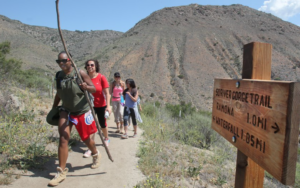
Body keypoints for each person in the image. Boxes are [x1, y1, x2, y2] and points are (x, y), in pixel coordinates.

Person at [48, 52, 100, 187]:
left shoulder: (79, 73)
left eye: (64, 61)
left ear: (70, 60)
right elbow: (59, 94)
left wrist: (86, 87)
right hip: (66, 109)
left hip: (81, 111)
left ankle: (95, 153)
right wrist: (54, 108)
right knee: (63, 138)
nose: (61, 64)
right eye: (58, 61)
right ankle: (61, 172)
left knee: (86, 138)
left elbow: (94, 89)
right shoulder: (59, 76)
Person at [83, 59, 111, 158]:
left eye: (92, 65)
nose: (90, 66)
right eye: (88, 65)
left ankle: (106, 138)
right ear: (86, 67)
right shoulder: (84, 78)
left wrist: (108, 106)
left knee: (102, 124)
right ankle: (91, 148)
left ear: (96, 66)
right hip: (89, 106)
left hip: (101, 105)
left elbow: (107, 93)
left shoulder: (101, 77)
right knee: (90, 126)